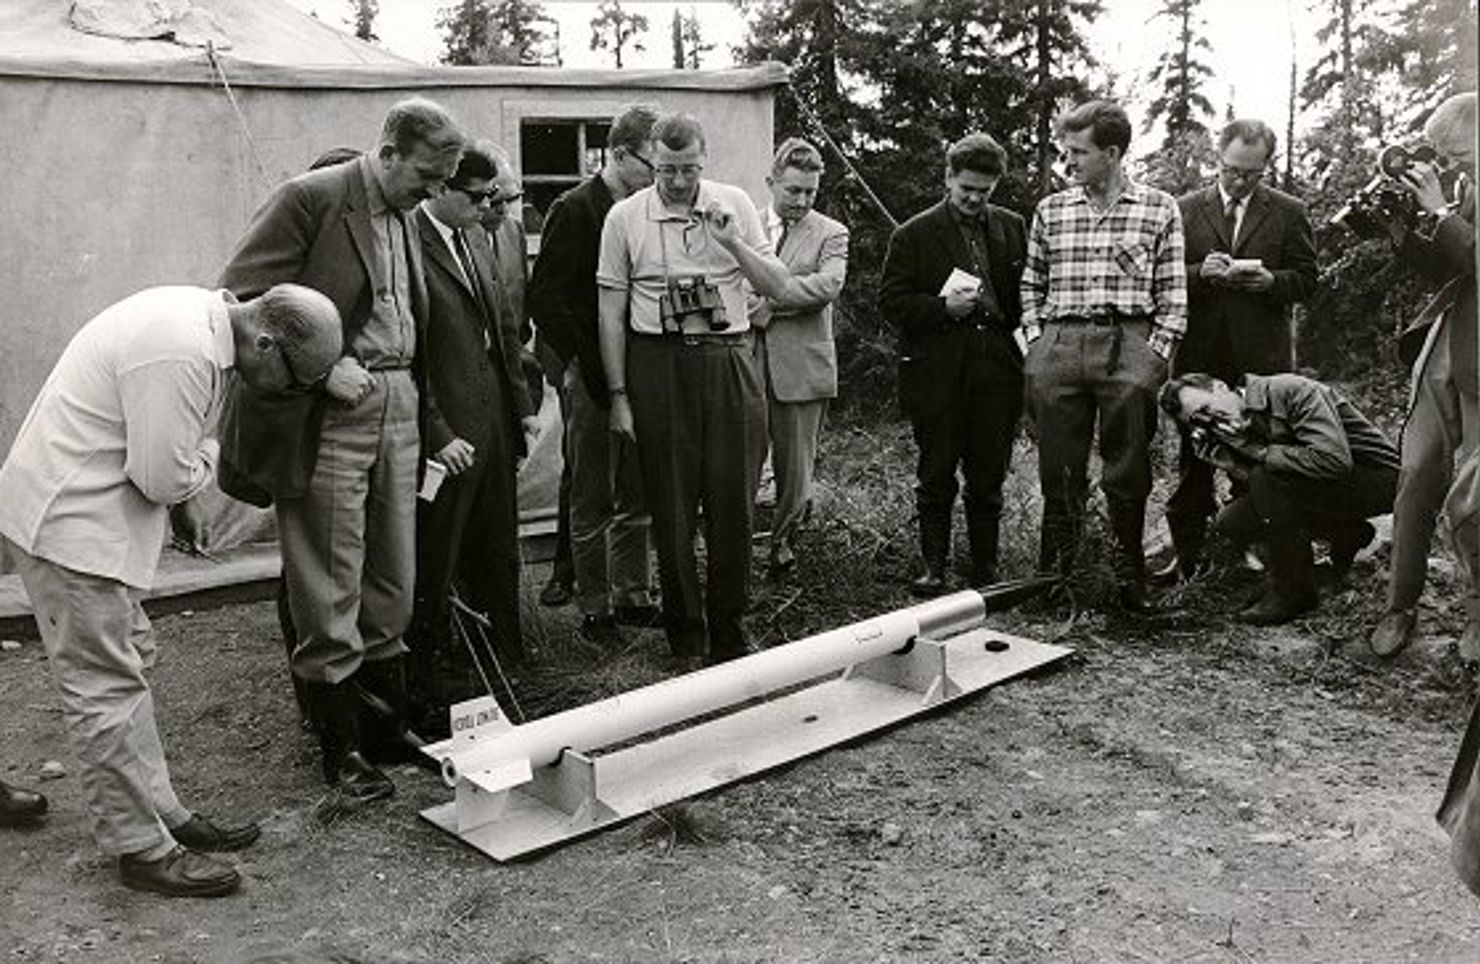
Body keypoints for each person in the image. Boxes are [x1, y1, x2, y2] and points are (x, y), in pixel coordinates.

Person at [0, 283, 342, 897]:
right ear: (265, 340)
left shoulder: (200, 325)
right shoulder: (180, 350)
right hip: (70, 529)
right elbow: (161, 477)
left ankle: (162, 811)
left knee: (131, 664)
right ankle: (141, 848)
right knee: (105, 688)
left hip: (91, 519)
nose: (290, 394)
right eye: (294, 381)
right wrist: (207, 455)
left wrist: (186, 466)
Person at [219, 98, 464, 802]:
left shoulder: (407, 215)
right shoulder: (310, 199)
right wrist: (323, 369)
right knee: (330, 575)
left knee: (393, 571)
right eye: (425, 175)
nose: (433, 192)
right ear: (387, 152)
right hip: (331, 414)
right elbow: (240, 297)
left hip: (400, 407)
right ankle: (341, 748)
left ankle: (386, 728)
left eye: (442, 180)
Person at [597, 112, 793, 667]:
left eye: (688, 170)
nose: (678, 182)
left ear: (704, 163)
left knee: (733, 503)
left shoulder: (733, 204)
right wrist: (619, 395)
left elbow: (778, 286)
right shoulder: (624, 217)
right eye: (665, 170)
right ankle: (685, 636)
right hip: (656, 364)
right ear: (650, 162)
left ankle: (730, 633)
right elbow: (610, 312)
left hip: (727, 360)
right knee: (672, 507)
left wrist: (733, 243)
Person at [1020, 99, 1188, 613]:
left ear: (1112, 153)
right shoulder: (1052, 210)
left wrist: (1152, 359)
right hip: (1061, 346)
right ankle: (1056, 578)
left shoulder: (1159, 208)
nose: (1068, 163)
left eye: (1079, 152)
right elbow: (1031, 282)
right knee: (1060, 469)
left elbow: (1174, 294)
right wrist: (1035, 345)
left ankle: (1125, 578)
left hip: (1128, 347)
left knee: (1128, 469)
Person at [408, 141, 537, 730]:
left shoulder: (478, 235)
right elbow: (409, 353)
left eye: (494, 196)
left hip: (493, 423)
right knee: (441, 553)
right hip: (449, 433)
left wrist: (522, 405)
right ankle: (437, 675)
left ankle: (504, 659)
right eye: (479, 197)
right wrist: (435, 429)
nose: (490, 208)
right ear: (441, 190)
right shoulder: (410, 240)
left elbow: (504, 328)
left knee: (496, 542)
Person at [529, 105, 664, 647]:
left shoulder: (647, 210)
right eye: (652, 164)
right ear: (622, 154)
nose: (659, 176)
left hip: (642, 371)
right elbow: (547, 297)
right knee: (592, 492)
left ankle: (634, 594)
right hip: (592, 373)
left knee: (638, 490)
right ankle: (594, 605)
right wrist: (589, 363)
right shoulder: (576, 208)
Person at [1162, 118, 1318, 580]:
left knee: (1257, 453)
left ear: (1265, 168)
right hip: (1200, 356)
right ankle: (1188, 553)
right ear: (1218, 159)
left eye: (1251, 174)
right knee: (1195, 453)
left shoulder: (1289, 211)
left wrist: (1272, 281)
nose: (1239, 181)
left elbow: (1307, 280)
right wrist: (1198, 274)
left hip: (1260, 360)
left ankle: (1250, 550)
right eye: (1232, 170)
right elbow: (1163, 278)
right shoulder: (1184, 209)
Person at [881, 132, 1024, 595]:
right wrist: (943, 310)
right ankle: (933, 567)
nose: (974, 198)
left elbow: (1023, 299)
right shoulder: (914, 234)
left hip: (997, 374)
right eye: (966, 189)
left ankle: (985, 569)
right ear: (948, 177)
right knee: (936, 474)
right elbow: (891, 302)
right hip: (936, 374)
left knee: (988, 476)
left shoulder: (1011, 227)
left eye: (984, 191)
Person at [1370, 91, 1478, 659]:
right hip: (1447, 343)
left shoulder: (1458, 192)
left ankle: (1478, 618)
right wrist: (1401, 230)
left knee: (1475, 498)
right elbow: (1448, 267)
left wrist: (1438, 212)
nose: (1445, 164)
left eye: (1455, 152)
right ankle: (1398, 605)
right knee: (1414, 473)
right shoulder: (1464, 189)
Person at [1158, 372, 1400, 623]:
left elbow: (1334, 461)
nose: (1213, 420)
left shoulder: (1289, 391)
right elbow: (1270, 493)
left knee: (1267, 476)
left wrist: (1256, 450)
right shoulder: (1233, 425)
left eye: (1207, 408)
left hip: (1377, 478)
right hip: (1326, 487)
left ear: (1221, 386)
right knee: (1232, 520)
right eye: (1200, 420)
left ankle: (1293, 592)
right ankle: (1346, 533)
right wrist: (1233, 465)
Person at [752, 137, 850, 575]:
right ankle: (735, 545)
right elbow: (730, 284)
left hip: (803, 366)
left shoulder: (831, 233)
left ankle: (783, 544)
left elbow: (826, 287)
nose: (802, 200)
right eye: (793, 190)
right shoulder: (745, 226)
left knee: (796, 468)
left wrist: (769, 303)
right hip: (747, 364)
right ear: (771, 182)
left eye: (811, 192)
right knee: (742, 461)